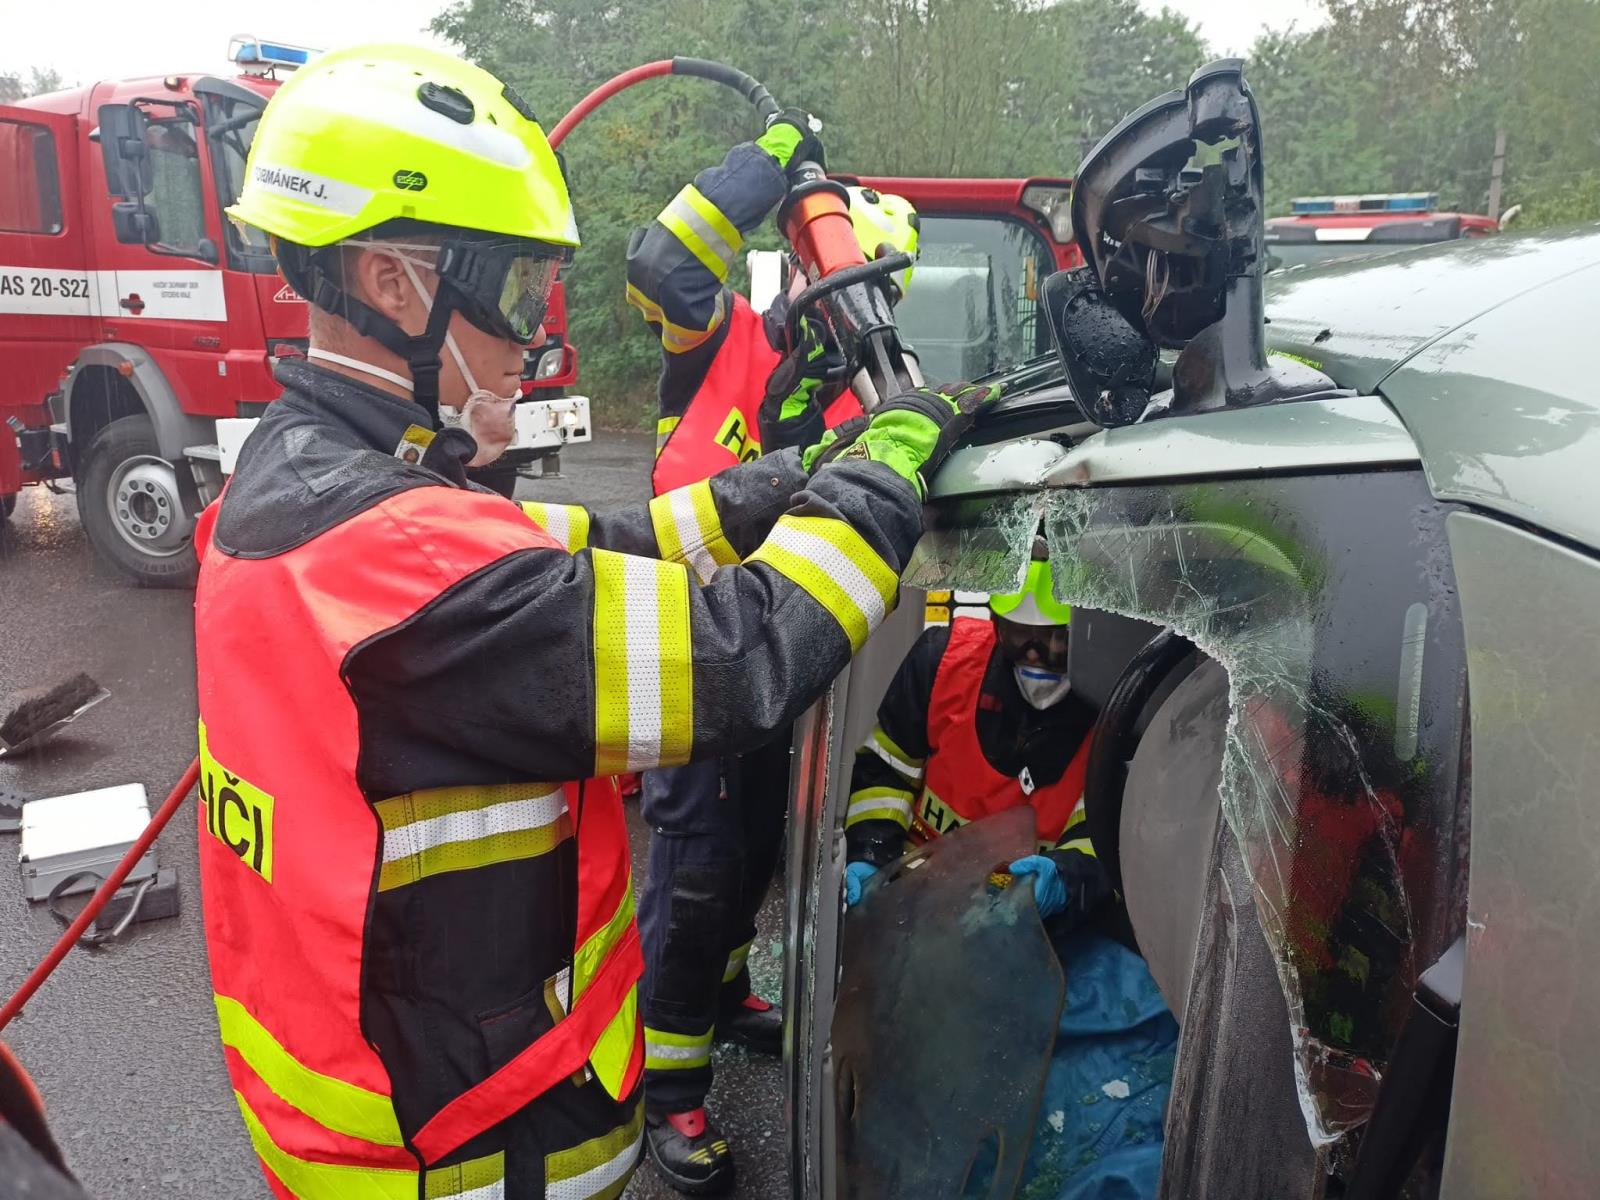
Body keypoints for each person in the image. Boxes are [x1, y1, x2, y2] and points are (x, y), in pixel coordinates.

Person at [195, 43, 995, 1200]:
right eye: (515, 290)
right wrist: (884, 483)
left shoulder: (311, 482)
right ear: (392, 283)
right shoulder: (408, 564)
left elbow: (600, 552)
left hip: (353, 1106)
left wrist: (806, 474)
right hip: (465, 1147)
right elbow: (737, 657)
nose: (531, 331)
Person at [624, 117, 921, 1192]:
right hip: (677, 661)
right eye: (835, 289)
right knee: (694, 885)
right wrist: (773, 153)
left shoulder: (862, 398)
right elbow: (660, 258)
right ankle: (670, 1096)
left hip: (776, 672)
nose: (846, 318)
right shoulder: (721, 340)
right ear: (804, 273)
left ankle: (727, 996)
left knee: (751, 866)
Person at [844, 552, 1178, 1200]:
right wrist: (870, 850)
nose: (1042, 655)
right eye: (1026, 636)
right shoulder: (940, 662)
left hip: (1035, 931)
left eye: (1058, 640)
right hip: (920, 915)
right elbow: (883, 770)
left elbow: (1106, 839)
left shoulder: (1116, 708)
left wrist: (1062, 876)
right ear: (997, 621)